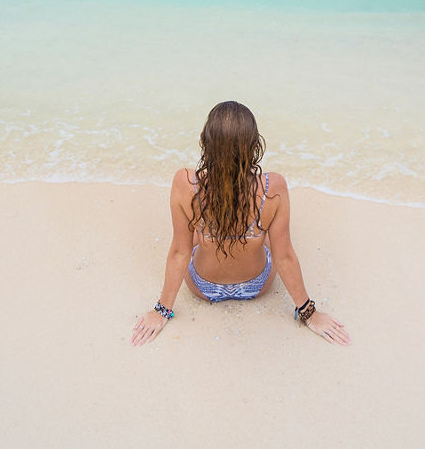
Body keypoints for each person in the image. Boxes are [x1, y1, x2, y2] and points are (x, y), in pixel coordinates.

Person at [131, 101, 350, 346]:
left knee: (195, 234)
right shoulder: (273, 187)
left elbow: (180, 252)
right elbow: (284, 256)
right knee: (266, 235)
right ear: (255, 145)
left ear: (205, 142)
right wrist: (310, 313)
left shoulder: (184, 182)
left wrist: (161, 310)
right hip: (256, 284)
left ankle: (214, 231)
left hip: (203, 286)